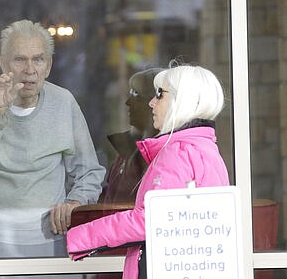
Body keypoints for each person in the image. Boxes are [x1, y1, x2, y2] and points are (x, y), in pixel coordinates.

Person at [0, 19, 106, 258]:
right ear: (3, 63)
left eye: (38, 59)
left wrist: (75, 203)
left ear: (49, 65)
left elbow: (89, 171)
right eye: (20, 59)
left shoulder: (63, 102)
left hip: (49, 237)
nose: (30, 69)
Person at [66, 63, 230, 279]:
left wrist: (79, 236)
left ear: (182, 100)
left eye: (160, 95)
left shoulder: (177, 153)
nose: (152, 103)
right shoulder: (206, 150)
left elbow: (153, 220)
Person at [99, 68, 164, 204]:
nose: (128, 102)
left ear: (154, 102)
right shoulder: (126, 150)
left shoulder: (165, 154)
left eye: (136, 95)